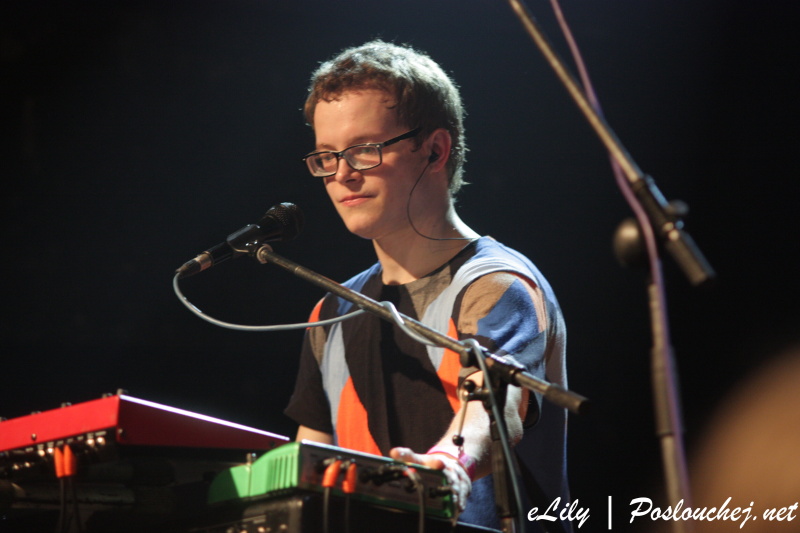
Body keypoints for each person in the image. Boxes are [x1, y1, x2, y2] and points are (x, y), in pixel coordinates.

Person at [284, 40, 569, 531]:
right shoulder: (331, 311)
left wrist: (450, 466)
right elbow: (308, 461)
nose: (343, 175)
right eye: (327, 156)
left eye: (364, 150)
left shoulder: (496, 283)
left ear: (435, 150)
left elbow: (495, 405)